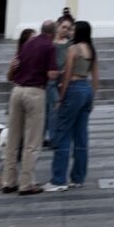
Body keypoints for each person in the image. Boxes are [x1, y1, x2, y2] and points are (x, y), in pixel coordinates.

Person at [1, 20, 58, 195]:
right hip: (35, 92)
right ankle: (26, 183)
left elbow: (15, 67)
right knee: (32, 141)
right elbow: (51, 74)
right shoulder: (49, 46)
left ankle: (8, 181)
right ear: (53, 32)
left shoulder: (27, 44)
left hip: (17, 90)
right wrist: (61, 73)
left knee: (13, 139)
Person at [44, 20, 99, 191]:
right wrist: (92, 98)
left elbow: (67, 75)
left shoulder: (73, 49)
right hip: (86, 88)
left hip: (73, 89)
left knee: (63, 132)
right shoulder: (91, 50)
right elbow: (96, 77)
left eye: (74, 29)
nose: (71, 32)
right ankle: (78, 177)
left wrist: (60, 97)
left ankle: (59, 179)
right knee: (81, 136)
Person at [45, 13, 74, 147]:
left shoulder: (69, 44)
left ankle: (53, 137)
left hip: (62, 79)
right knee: (49, 108)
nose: (65, 30)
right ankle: (48, 137)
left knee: (55, 108)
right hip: (49, 79)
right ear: (57, 26)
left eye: (68, 28)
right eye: (64, 27)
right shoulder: (50, 43)